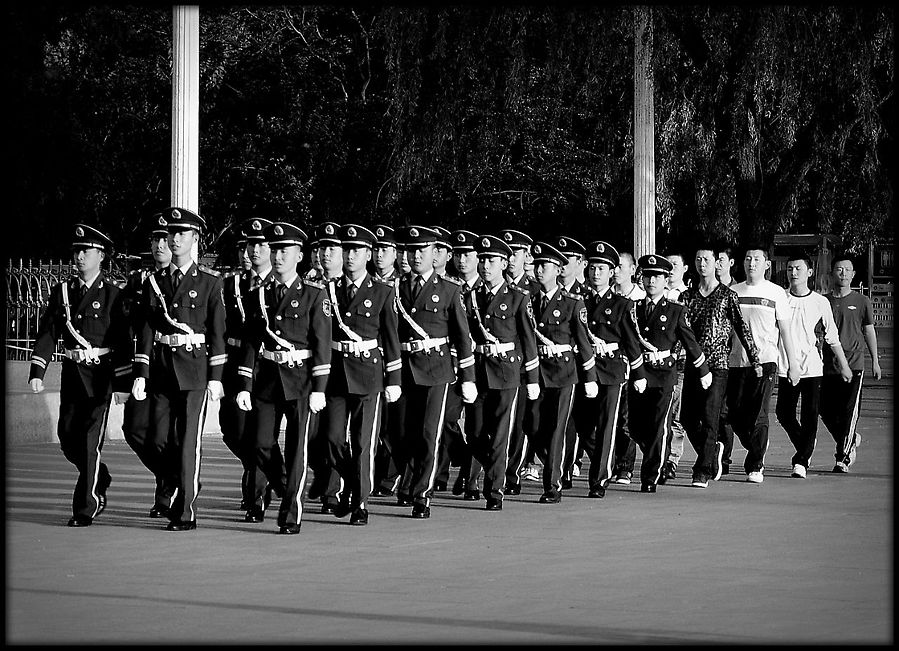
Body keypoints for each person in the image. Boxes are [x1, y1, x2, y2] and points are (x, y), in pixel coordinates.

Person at [130, 207, 227, 531]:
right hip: (161, 369)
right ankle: (179, 479)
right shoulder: (154, 281)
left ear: (194, 239)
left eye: (181, 234)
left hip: (195, 371)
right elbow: (146, 330)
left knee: (188, 443)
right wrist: (142, 373)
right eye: (171, 233)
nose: (174, 239)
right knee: (155, 435)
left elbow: (216, 333)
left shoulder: (210, 282)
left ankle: (185, 511)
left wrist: (216, 378)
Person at [29, 224, 131, 527]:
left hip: (100, 377)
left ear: (100, 255)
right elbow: (49, 330)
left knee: (89, 442)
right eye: (76, 251)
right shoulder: (64, 292)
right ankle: (98, 474)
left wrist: (123, 383)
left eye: (85, 250)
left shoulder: (113, 294)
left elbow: (123, 342)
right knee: (67, 437)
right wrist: (38, 369)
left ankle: (86, 506)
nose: (79, 256)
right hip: (73, 374)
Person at [235, 221, 332, 534]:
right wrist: (245, 383)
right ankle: (285, 485)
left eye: (284, 250)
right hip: (267, 378)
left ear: (299, 255)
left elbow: (322, 345)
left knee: (297, 449)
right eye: (274, 249)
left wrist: (319, 388)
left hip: (301, 380)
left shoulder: (314, 295)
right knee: (260, 443)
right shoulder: (258, 294)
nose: (277, 256)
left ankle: (291, 512)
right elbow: (251, 341)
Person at [392, 225, 477, 519]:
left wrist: (467, 377)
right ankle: (409, 480)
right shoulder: (395, 288)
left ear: (433, 253)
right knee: (402, 433)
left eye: (422, 251)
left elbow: (462, 337)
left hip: (436, 371)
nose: (415, 256)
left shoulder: (450, 290)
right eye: (411, 250)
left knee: (430, 434)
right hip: (403, 370)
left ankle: (421, 493)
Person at [322, 224, 402, 526]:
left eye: (356, 250)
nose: (350, 255)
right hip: (336, 373)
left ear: (368, 254)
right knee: (330, 438)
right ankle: (355, 483)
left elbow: (391, 338)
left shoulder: (382, 291)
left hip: (369, 374)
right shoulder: (329, 289)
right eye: (346, 250)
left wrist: (393, 379)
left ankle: (361, 502)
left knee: (363, 441)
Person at [465, 234, 540, 510]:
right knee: (474, 434)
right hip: (479, 371)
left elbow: (528, 338)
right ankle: (497, 469)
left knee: (499, 434)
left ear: (504, 263)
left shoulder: (518, 297)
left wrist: (531, 377)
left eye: (491, 260)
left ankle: (495, 489)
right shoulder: (471, 296)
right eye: (482, 260)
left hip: (508, 373)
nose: (485, 266)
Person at [679, 246, 761, 489]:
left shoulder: (727, 296)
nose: (702, 263)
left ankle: (703, 469)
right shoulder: (688, 296)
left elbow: (742, 329)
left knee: (710, 414)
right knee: (687, 417)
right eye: (698, 259)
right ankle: (712, 449)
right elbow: (680, 331)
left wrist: (755, 359)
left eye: (707, 259)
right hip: (694, 364)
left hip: (718, 366)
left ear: (716, 262)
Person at [630, 254, 711, 493]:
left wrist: (702, 368)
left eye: (657, 277)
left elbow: (689, 340)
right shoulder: (634, 308)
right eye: (647, 276)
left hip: (664, 374)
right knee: (635, 426)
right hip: (640, 373)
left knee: (659, 425)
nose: (651, 281)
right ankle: (660, 453)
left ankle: (650, 475)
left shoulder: (675, 310)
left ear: (666, 280)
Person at [719, 246, 800, 484]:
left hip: (765, 362)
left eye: (756, 259)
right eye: (747, 258)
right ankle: (754, 444)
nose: (751, 263)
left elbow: (785, 332)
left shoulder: (775, 293)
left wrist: (792, 364)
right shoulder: (732, 292)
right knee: (732, 414)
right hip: (735, 362)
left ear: (767, 265)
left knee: (759, 414)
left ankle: (755, 464)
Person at [526, 241, 597, 504]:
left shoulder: (572, 303)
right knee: (531, 425)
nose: (539, 270)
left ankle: (552, 484)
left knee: (557, 429)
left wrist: (589, 377)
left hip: (564, 373)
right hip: (536, 372)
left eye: (545, 265)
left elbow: (583, 342)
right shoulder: (529, 300)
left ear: (557, 269)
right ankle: (554, 463)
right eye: (537, 265)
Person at [223, 218, 282, 523]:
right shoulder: (233, 284)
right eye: (251, 244)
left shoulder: (281, 286)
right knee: (232, 429)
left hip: (270, 366)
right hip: (237, 362)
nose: (255, 250)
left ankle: (256, 497)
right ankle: (273, 472)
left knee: (261, 431)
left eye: (262, 244)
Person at [774, 252, 852, 479]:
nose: (793, 273)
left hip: (812, 368)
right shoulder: (781, 299)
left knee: (810, 414)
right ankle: (805, 443)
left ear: (809, 272)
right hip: (786, 366)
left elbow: (832, 337)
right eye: (790, 269)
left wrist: (844, 366)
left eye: (798, 268)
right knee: (784, 413)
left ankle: (801, 461)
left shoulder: (820, 302)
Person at [578, 241, 646, 498]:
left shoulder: (622, 305)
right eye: (593, 268)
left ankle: (599, 479)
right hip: (585, 370)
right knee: (583, 426)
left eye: (602, 269)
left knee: (607, 424)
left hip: (611, 369)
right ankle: (603, 458)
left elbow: (631, 342)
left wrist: (638, 374)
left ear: (611, 272)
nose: (596, 274)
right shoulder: (580, 301)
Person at [120, 225, 178, 518]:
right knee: (134, 429)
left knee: (164, 435)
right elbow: (125, 322)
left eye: (166, 239)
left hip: (174, 368)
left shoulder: (183, 280)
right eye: (156, 239)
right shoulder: (139, 280)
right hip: (145, 365)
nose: (161, 245)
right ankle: (173, 477)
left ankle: (166, 494)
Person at [820, 255, 882, 472]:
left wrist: (875, 360)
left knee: (848, 411)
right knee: (825, 409)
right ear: (832, 273)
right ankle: (850, 437)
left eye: (847, 270)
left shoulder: (861, 301)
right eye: (839, 269)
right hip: (827, 365)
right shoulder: (823, 301)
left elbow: (868, 330)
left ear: (854, 274)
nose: (843, 274)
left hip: (854, 364)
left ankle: (842, 457)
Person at [434, 230, 481, 497]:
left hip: (481, 363)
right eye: (459, 254)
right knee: (446, 417)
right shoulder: (446, 286)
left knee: (476, 425)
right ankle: (452, 462)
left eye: (467, 254)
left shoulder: (486, 288)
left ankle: (470, 479)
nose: (462, 260)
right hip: (450, 361)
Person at [305, 222, 345, 513]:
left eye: (332, 249)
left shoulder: (351, 285)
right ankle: (321, 473)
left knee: (333, 434)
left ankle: (333, 489)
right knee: (310, 436)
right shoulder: (308, 284)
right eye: (321, 248)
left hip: (343, 370)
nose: (324, 254)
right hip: (310, 370)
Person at [498, 228, 541, 494]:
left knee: (523, 422)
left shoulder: (534, 290)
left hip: (526, 366)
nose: (512, 259)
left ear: (526, 255)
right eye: (508, 254)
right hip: (498, 366)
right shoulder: (493, 286)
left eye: (517, 253)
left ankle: (512, 472)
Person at [610, 251, 646, 484]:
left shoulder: (641, 298)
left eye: (622, 266)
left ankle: (625, 466)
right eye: (614, 266)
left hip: (633, 365)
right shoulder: (606, 296)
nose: (617, 271)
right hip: (609, 365)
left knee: (626, 419)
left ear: (633, 270)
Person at [658, 252, 690, 484]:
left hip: (678, 363)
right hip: (653, 365)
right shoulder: (654, 294)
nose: (670, 270)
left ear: (685, 268)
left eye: (674, 265)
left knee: (676, 417)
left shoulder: (687, 297)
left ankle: (671, 461)